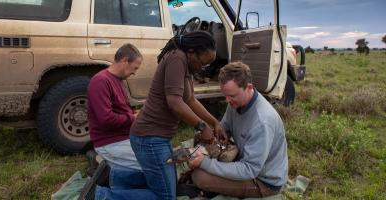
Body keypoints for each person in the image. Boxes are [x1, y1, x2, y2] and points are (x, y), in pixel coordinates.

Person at [130, 31, 228, 200]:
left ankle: (114, 177)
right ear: (191, 52)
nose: (203, 68)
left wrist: (214, 122)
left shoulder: (186, 64)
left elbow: (190, 100)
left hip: (157, 137)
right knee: (166, 196)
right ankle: (104, 194)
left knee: (162, 181)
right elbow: (175, 102)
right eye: (203, 63)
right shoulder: (177, 58)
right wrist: (201, 126)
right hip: (150, 138)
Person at [188, 62, 288, 198]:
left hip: (263, 181)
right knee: (199, 140)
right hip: (245, 162)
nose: (228, 100)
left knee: (199, 177)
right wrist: (214, 135)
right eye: (225, 95)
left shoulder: (262, 121)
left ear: (249, 88)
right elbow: (225, 129)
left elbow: (249, 170)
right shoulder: (235, 103)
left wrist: (205, 163)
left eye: (232, 96)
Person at [87, 43, 155, 199]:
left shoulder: (117, 80)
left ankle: (105, 169)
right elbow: (105, 120)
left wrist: (136, 113)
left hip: (123, 137)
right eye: (135, 68)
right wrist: (132, 118)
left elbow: (120, 111)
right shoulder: (100, 81)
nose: (134, 73)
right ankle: (100, 193)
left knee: (158, 159)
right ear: (125, 60)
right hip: (109, 142)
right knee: (153, 170)